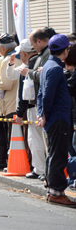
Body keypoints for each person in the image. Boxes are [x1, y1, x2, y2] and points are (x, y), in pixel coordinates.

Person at [37, 34, 76, 207]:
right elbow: (47, 96)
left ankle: (53, 190)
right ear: (65, 51)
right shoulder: (55, 68)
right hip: (58, 118)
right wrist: (44, 114)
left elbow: (41, 93)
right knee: (58, 156)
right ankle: (56, 192)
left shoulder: (48, 66)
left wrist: (41, 114)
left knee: (54, 154)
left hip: (54, 118)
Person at [6, 39, 43, 179]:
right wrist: (10, 64)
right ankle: (42, 169)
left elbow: (23, 92)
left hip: (33, 107)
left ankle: (40, 169)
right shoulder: (37, 62)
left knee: (35, 139)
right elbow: (11, 75)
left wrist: (19, 113)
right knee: (40, 139)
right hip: (40, 106)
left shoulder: (27, 67)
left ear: (23, 53)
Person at [0, 33, 21, 171]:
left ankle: (10, 162)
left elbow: (5, 84)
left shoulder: (7, 59)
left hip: (10, 101)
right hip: (18, 100)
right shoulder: (19, 56)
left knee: (10, 134)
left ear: (1, 47)